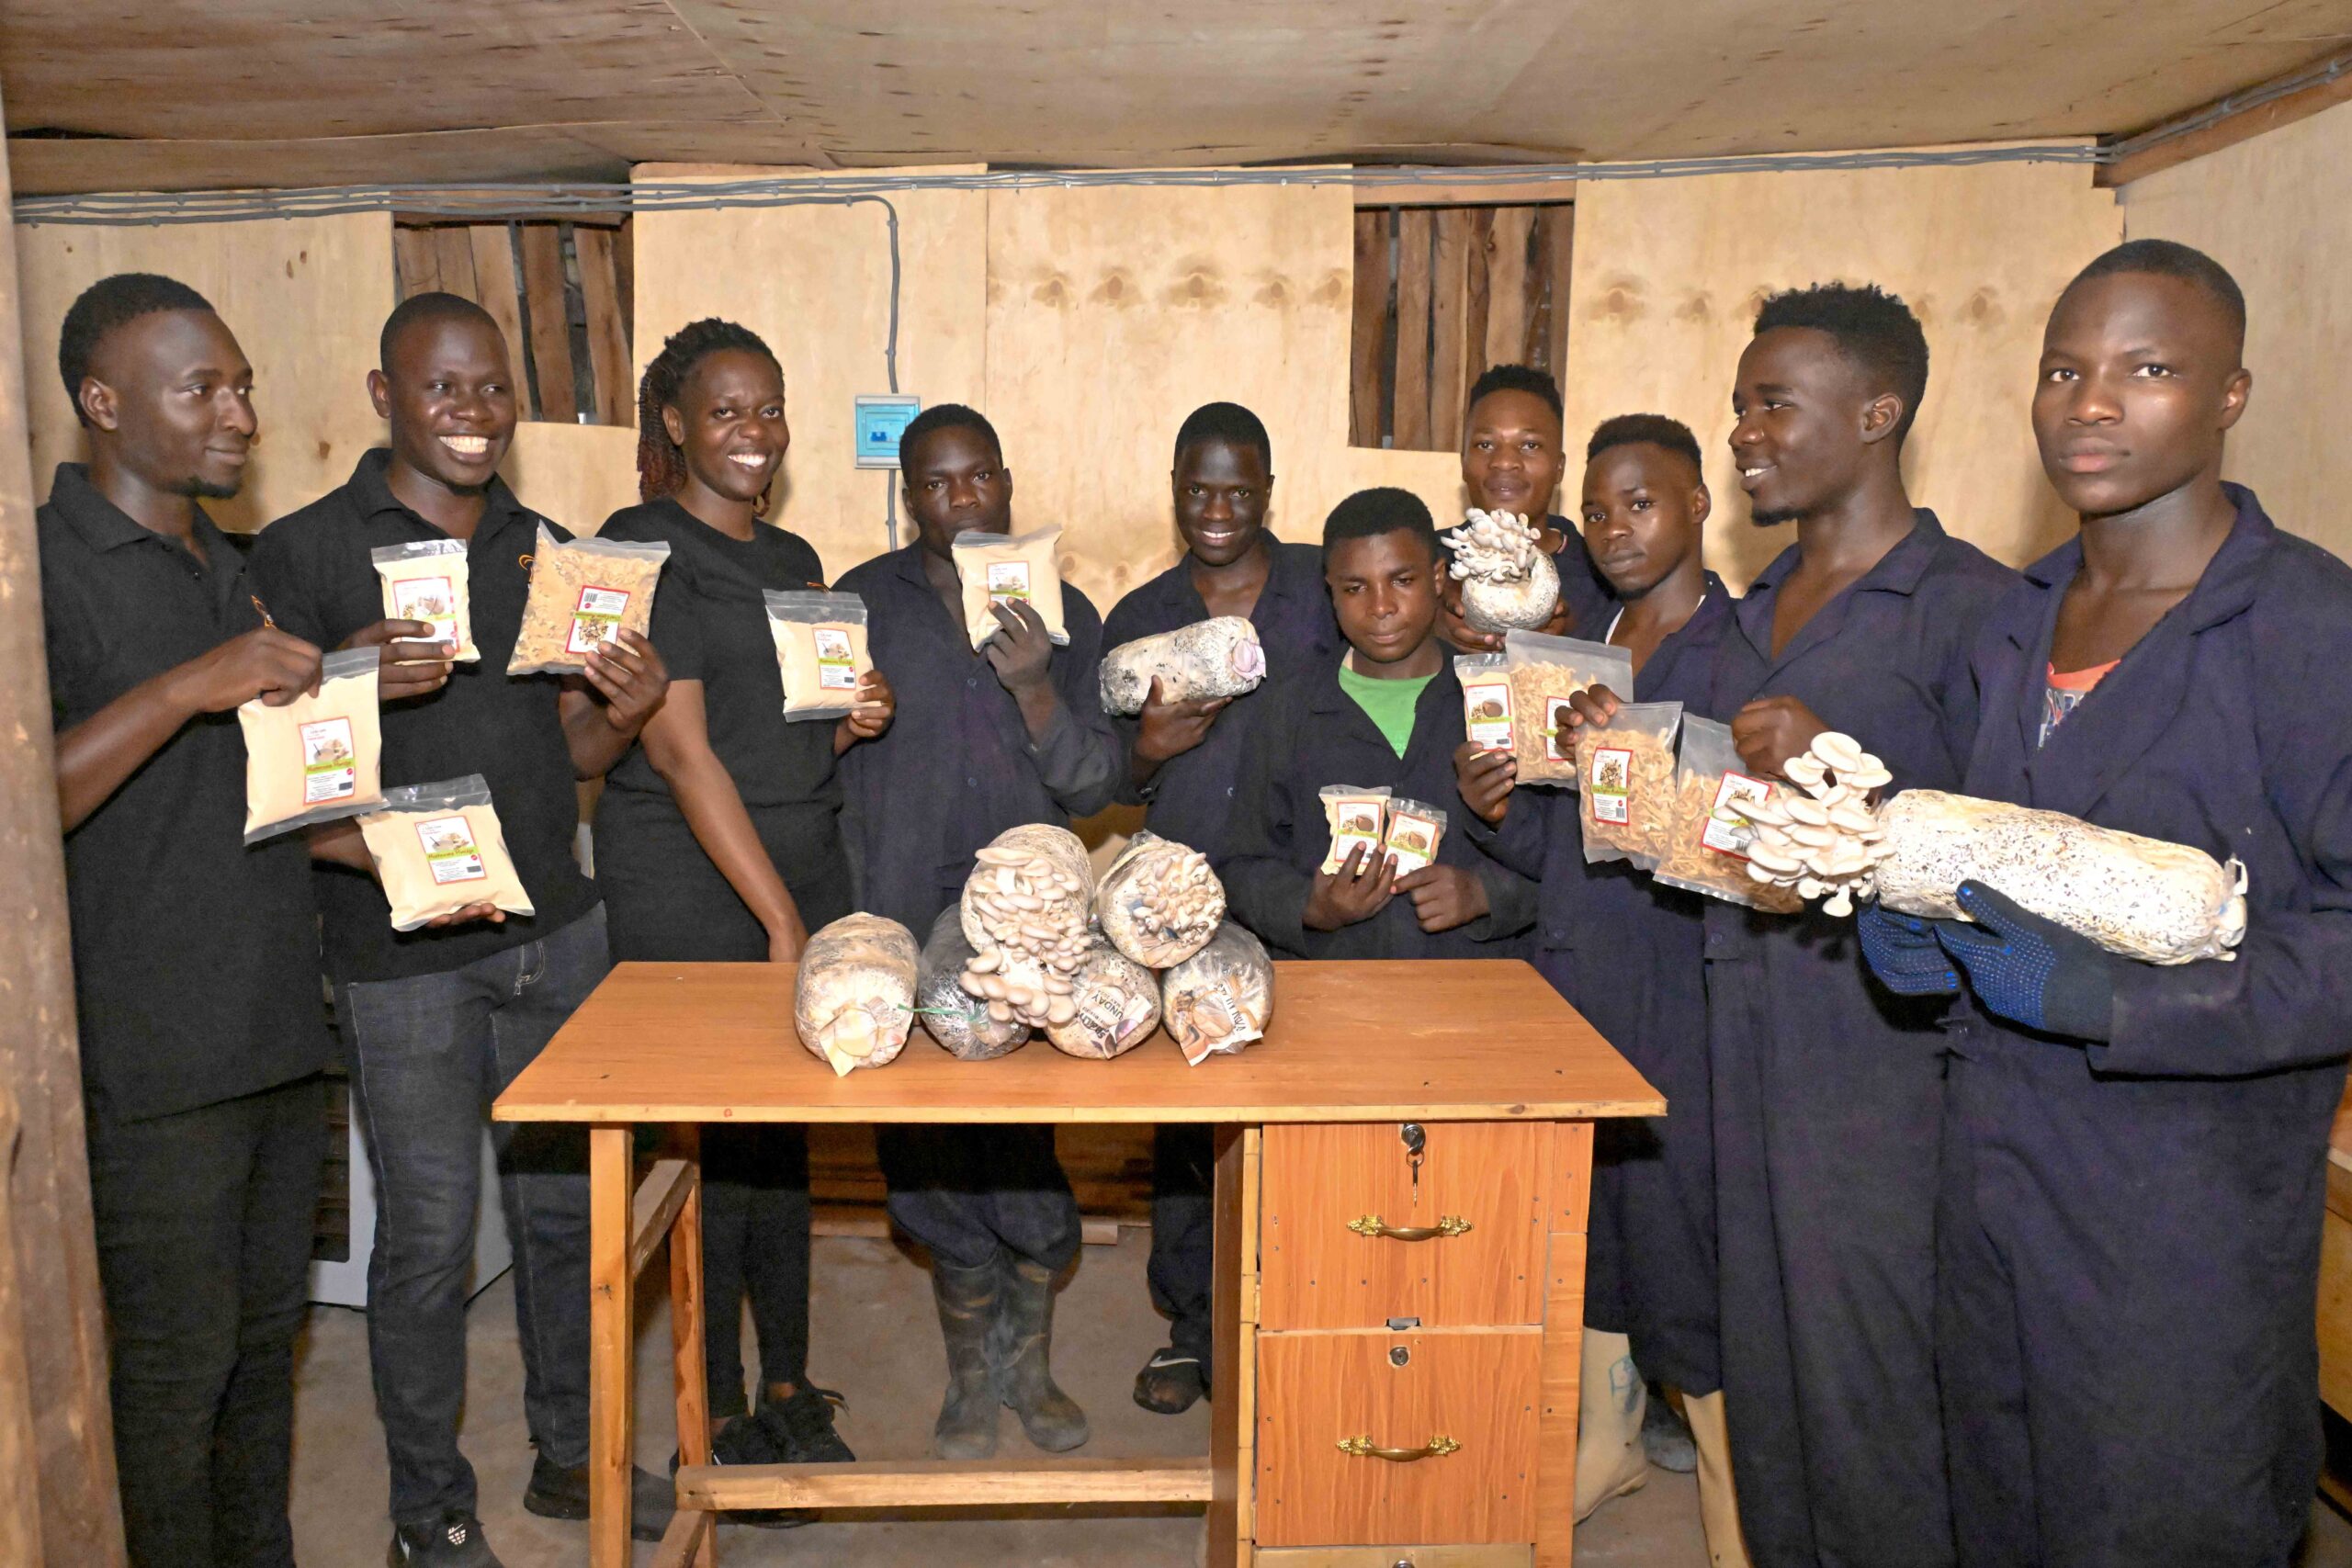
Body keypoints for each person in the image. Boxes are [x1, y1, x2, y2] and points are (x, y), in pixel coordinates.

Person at [1860, 241, 2352, 1568]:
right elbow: (1992, 862)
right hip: (1990, 1191)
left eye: (2147, 368)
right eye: (2065, 367)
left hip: (2179, 1233)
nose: (2090, 401)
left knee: (2153, 1523)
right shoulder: (2009, 621)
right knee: (1997, 1510)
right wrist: (1918, 941)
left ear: (2230, 394)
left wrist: (2113, 998)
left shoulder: (2309, 629)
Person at [252, 293, 673, 1565]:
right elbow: (270, 784)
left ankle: (569, 1456)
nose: (473, 413)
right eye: (443, 388)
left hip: (558, 934)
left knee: (566, 1226)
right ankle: (426, 1508)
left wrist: (630, 707)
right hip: (402, 960)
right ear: (385, 396)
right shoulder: (305, 553)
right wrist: (345, 675)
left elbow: (570, 756)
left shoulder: (553, 551)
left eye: (491, 388)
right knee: (428, 1242)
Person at [1687, 283, 2015, 1568]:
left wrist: (1850, 774)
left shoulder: (1975, 606)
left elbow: (2016, 857)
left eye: (1775, 403)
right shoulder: (1755, 603)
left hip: (1886, 1074)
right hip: (1742, 1038)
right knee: (1766, 1383)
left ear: (1878, 413)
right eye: (1740, 405)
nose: (1745, 433)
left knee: (1873, 1394)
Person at [39, 273, 332, 1568]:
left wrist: (369, 832)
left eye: (243, 384)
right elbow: (23, 800)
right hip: (147, 1058)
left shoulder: (235, 569)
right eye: (200, 387)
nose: (239, 414)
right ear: (102, 403)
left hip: (274, 1028)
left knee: (267, 1351)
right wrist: (186, 686)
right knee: (172, 1375)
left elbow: (239, 792)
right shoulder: (38, 566)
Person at [594, 320, 888, 1510]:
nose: (755, 432)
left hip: (802, 871)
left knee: (782, 1153)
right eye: (726, 410)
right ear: (673, 422)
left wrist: (854, 711)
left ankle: (788, 1385)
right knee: (700, 1157)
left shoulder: (798, 553)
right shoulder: (637, 549)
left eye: (768, 408)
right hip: (696, 880)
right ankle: (701, 1420)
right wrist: (778, 922)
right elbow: (679, 752)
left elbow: (794, 723)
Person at [1453, 414, 1748, 1564]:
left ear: (1696, 506)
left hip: (1682, 991)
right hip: (1577, 982)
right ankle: (1606, 1444)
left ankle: (1735, 1512)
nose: (1619, 528)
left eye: (1646, 501)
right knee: (1593, 1236)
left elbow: (1734, 852)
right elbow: (1558, 851)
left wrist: (1627, 753)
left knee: (1684, 1251)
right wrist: (1501, 805)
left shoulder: (1740, 651)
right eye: (1604, 506)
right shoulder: (1587, 649)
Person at [835, 403, 1122, 1461]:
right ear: (910, 496)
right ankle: (969, 1379)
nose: (961, 501)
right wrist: (838, 720)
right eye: (936, 483)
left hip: (1027, 944)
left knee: (1023, 1152)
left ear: (1006, 480)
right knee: (924, 1160)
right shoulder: (861, 603)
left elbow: (1096, 785)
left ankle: (1030, 1370)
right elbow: (806, 759)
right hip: (904, 917)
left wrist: (1038, 684)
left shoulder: (1066, 610)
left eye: (977, 479)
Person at [1102, 401, 1336, 1416]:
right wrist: (1147, 750)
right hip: (1183, 892)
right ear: (1173, 493)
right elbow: (1100, 776)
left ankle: (1306, 1320)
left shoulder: (1322, 592)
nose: (1217, 509)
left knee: (1310, 1119)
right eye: (1198, 490)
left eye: (1239, 490)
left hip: (1310, 883)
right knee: (1194, 1124)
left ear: (1269, 493)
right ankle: (1193, 1329)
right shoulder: (1140, 616)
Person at [1217, 485, 1534, 960]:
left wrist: (1484, 894)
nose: (1381, 606)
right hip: (1334, 996)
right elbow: (1242, 864)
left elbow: (1569, 861)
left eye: (1401, 580)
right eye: (1355, 587)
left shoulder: (1498, 698)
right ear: (1331, 591)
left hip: (1473, 1000)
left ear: (1438, 577)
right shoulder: (1286, 708)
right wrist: (1310, 906)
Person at [1439, 364, 1615, 651]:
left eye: (1530, 445)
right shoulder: (1423, 564)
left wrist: (1577, 640)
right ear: (1463, 463)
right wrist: (1424, 627)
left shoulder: (1603, 576)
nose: (1505, 461)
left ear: (1559, 468)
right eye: (1485, 444)